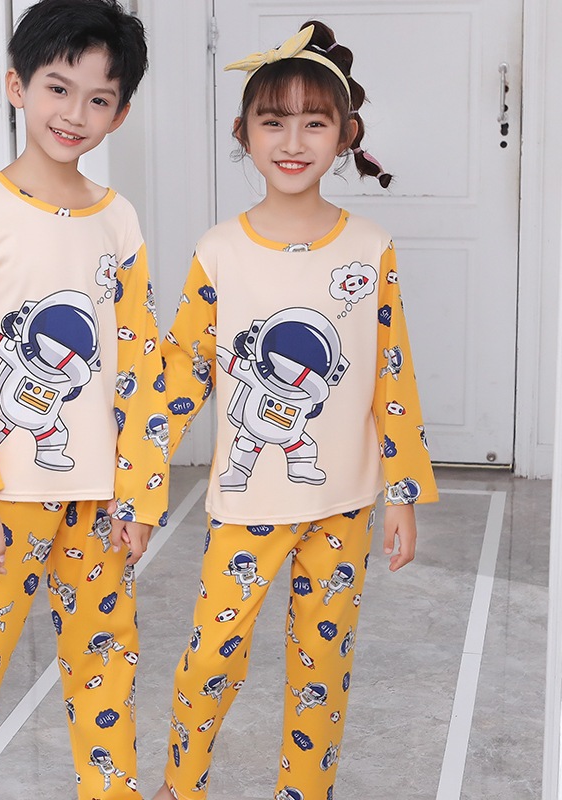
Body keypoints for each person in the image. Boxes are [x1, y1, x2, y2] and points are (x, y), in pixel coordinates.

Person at [152, 20, 438, 800]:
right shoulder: (219, 249)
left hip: (342, 504)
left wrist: (403, 493)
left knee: (322, 667)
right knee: (212, 658)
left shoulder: (369, 247)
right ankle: (180, 787)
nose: (292, 141)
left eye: (315, 122)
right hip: (245, 504)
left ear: (346, 135)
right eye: (273, 121)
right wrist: (138, 473)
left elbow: (391, 375)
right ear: (243, 132)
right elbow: (183, 371)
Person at [0, 2, 168, 798]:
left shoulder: (119, 220)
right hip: (8, 493)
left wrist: (142, 490)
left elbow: (140, 363)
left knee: (105, 664)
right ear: (16, 86)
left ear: (120, 112)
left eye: (98, 98)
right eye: (57, 88)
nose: (74, 113)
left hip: (102, 497)